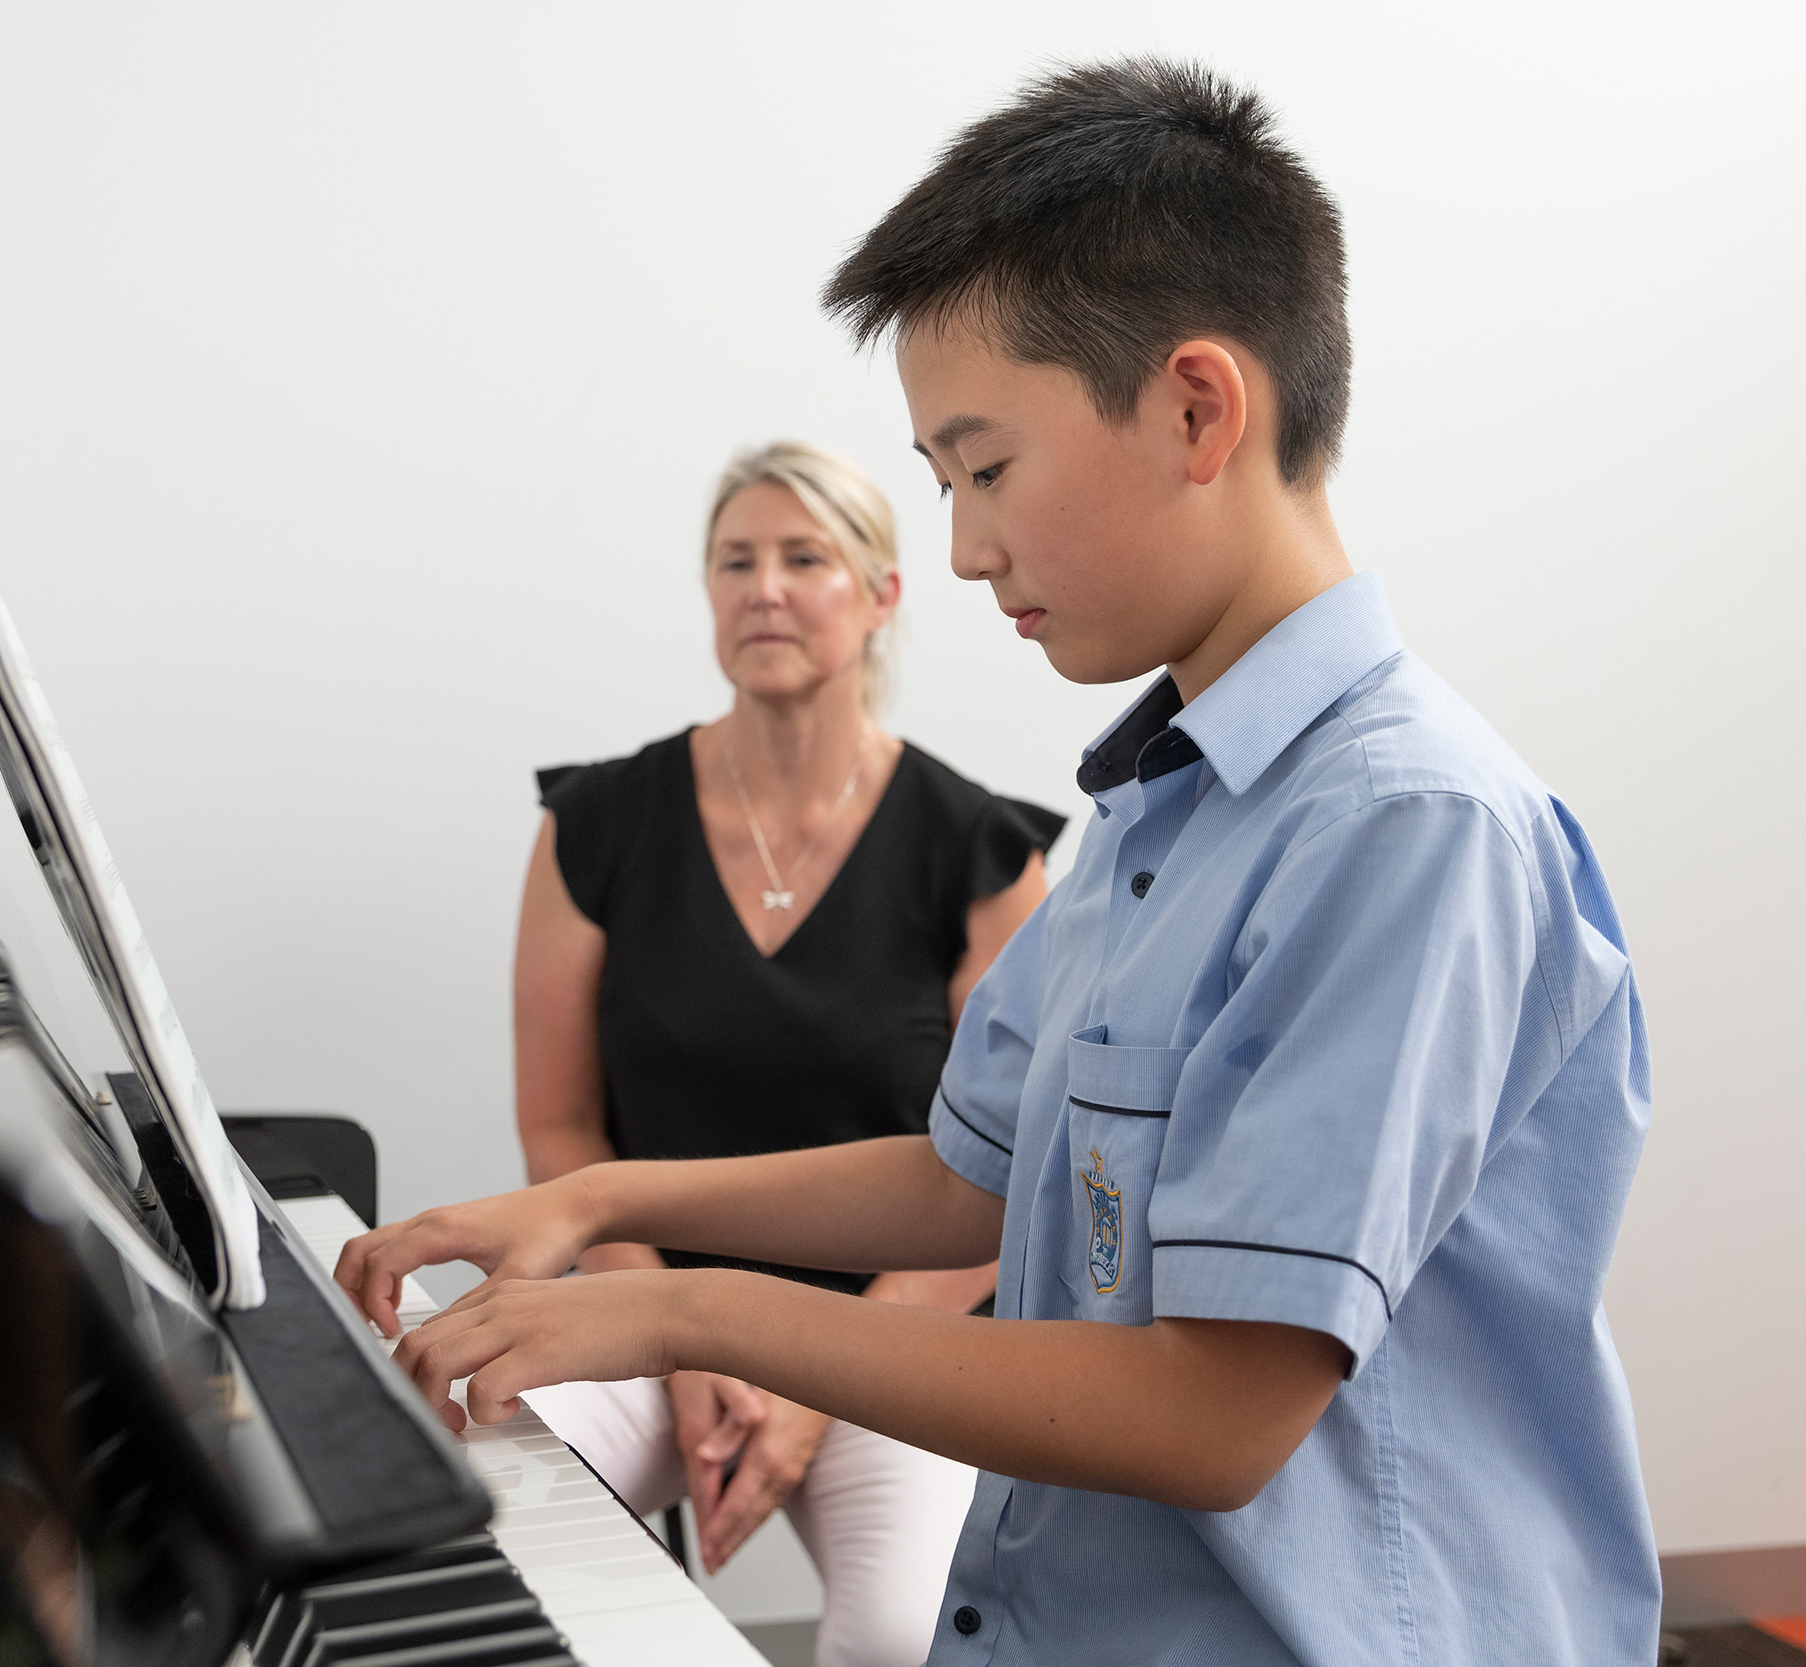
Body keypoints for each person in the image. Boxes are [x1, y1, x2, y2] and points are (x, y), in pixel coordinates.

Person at [341, 58, 1659, 1666]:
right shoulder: (1168, 800)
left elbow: (1214, 1412)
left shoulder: (1404, 827)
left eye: (984, 468)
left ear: (1196, 408)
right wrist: (599, 1199)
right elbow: (971, 1175)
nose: (964, 546)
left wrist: (688, 1303)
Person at [518, 441, 1061, 1667]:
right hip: (636, 1300)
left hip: (889, 1334)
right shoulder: (594, 826)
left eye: (804, 557)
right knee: (502, 1542)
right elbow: (560, 1126)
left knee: (903, 1639)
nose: (763, 587)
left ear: (880, 596)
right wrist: (678, 1324)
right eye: (735, 561)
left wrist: (811, 1383)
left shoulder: (979, 851)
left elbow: (1007, 1175)